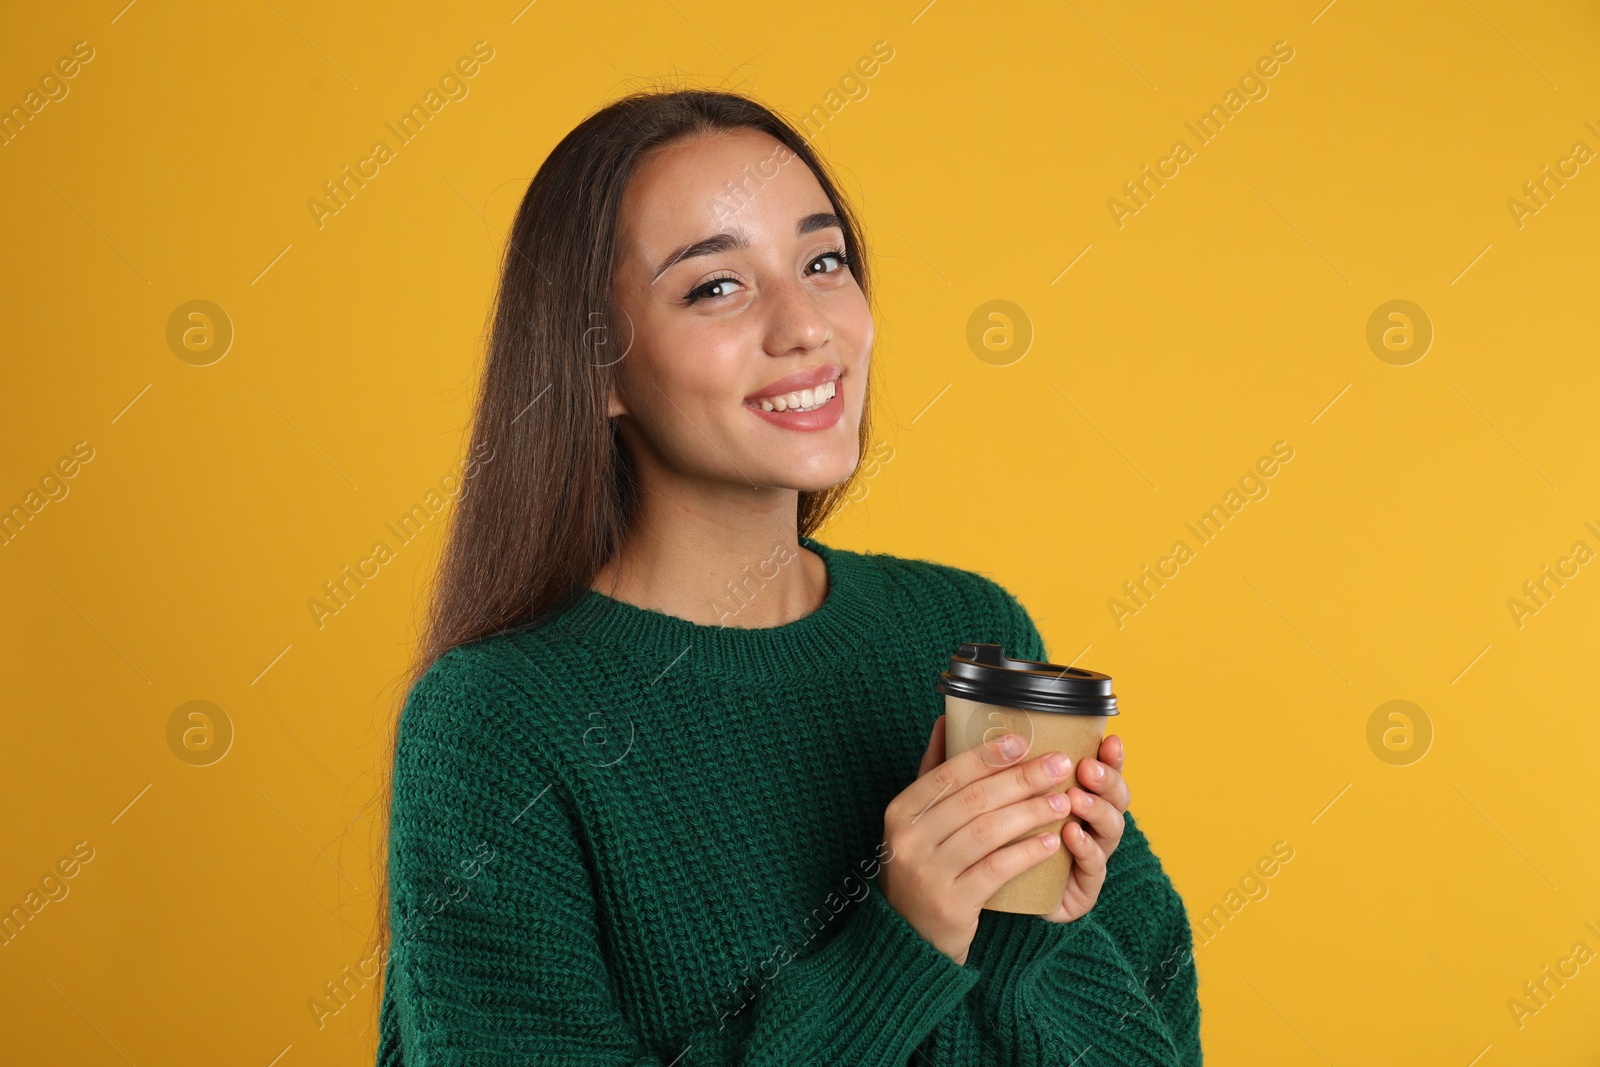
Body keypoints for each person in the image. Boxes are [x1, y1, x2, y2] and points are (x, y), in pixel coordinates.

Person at [372, 86, 1200, 1065]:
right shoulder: (496, 719)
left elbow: (1158, 1037)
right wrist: (901, 941)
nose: (805, 324)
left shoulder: (967, 631)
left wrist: (1019, 919)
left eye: (822, 261)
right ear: (595, 364)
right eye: (715, 286)